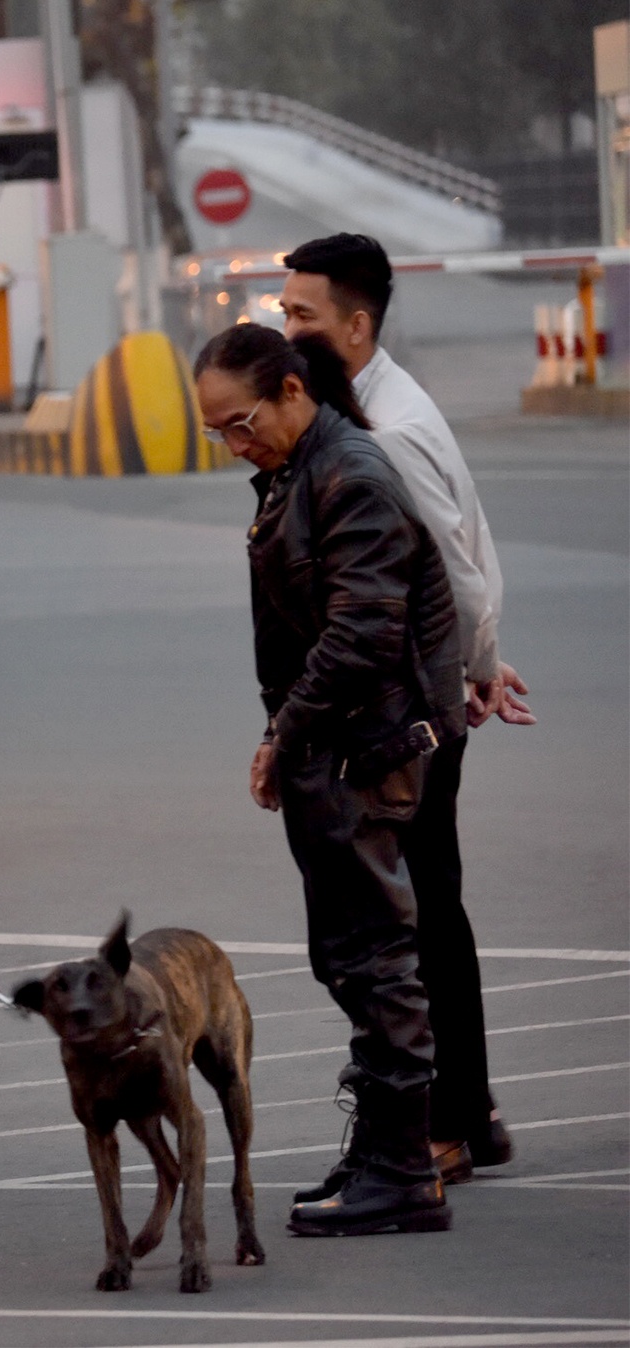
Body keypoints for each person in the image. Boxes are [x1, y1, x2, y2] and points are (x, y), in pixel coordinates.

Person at [196, 323, 466, 1237]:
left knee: (378, 958)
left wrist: (285, 734)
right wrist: (286, 734)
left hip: (364, 748)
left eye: (240, 423)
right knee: (348, 956)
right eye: (217, 434)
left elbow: (362, 635)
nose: (235, 445)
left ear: (291, 390)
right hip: (329, 745)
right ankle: (384, 1152)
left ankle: (404, 1170)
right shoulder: (298, 472)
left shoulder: (351, 474)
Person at [279, 233, 533, 1182]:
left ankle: (449, 1124)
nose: (288, 330)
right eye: (284, 312)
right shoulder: (379, 402)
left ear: (357, 325)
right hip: (430, 693)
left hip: (412, 712)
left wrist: (477, 668)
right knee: (430, 909)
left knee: (415, 921)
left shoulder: (385, 431)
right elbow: (472, 540)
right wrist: (479, 661)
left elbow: (454, 566)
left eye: (303, 315)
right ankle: (474, 1112)